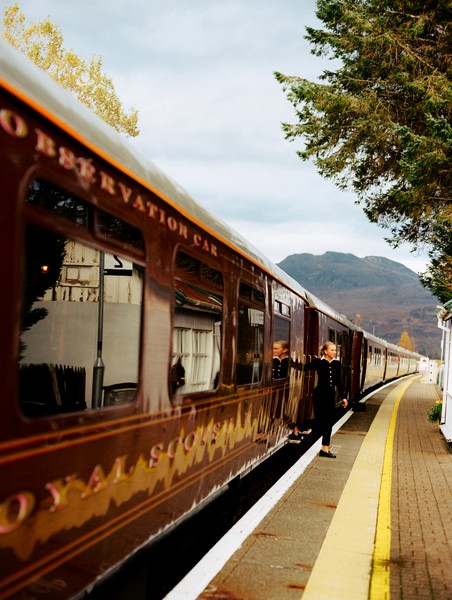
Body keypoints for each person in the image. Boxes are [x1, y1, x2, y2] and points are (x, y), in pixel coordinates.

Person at [304, 341, 348, 458]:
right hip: (319, 395)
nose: (334, 352)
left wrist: (343, 397)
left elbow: (338, 382)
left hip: (330, 396)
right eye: (332, 350)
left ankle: (325, 449)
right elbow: (304, 368)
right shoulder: (318, 362)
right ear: (325, 351)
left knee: (329, 422)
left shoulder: (337, 364)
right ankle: (300, 426)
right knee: (319, 422)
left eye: (335, 350)